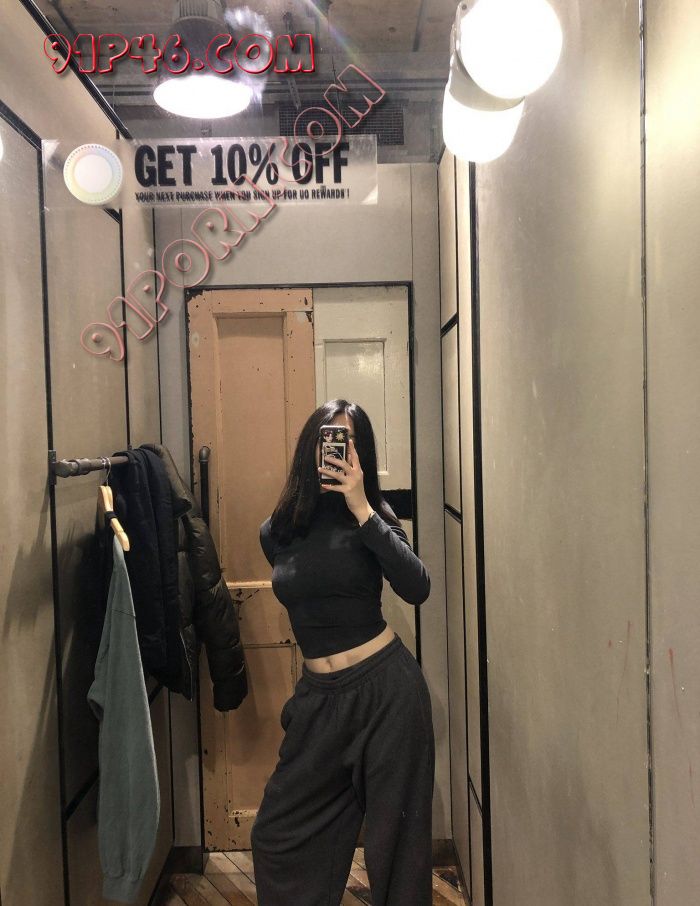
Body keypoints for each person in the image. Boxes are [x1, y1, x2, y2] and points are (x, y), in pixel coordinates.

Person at [251, 399, 435, 906]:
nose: (336, 448)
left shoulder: (374, 517)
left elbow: (417, 587)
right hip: (319, 700)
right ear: (310, 448)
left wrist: (362, 507)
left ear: (361, 452)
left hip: (387, 695)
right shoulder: (278, 530)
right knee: (277, 837)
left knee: (397, 850)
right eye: (327, 437)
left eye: (348, 440)